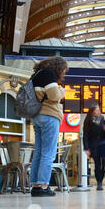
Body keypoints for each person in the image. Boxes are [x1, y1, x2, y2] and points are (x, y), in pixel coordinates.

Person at [30, 56, 68, 197]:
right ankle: (44, 186)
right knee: (48, 153)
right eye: (63, 70)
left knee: (39, 153)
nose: (63, 74)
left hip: (37, 116)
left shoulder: (36, 75)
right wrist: (62, 91)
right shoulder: (49, 74)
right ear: (58, 67)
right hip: (49, 116)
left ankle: (35, 186)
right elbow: (53, 95)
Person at [83, 105, 105, 191]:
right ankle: (99, 182)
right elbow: (85, 135)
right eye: (96, 110)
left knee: (103, 165)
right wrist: (86, 148)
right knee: (97, 164)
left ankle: (101, 180)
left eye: (99, 110)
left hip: (103, 145)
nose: (98, 111)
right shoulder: (88, 121)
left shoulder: (102, 119)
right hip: (94, 146)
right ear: (92, 111)